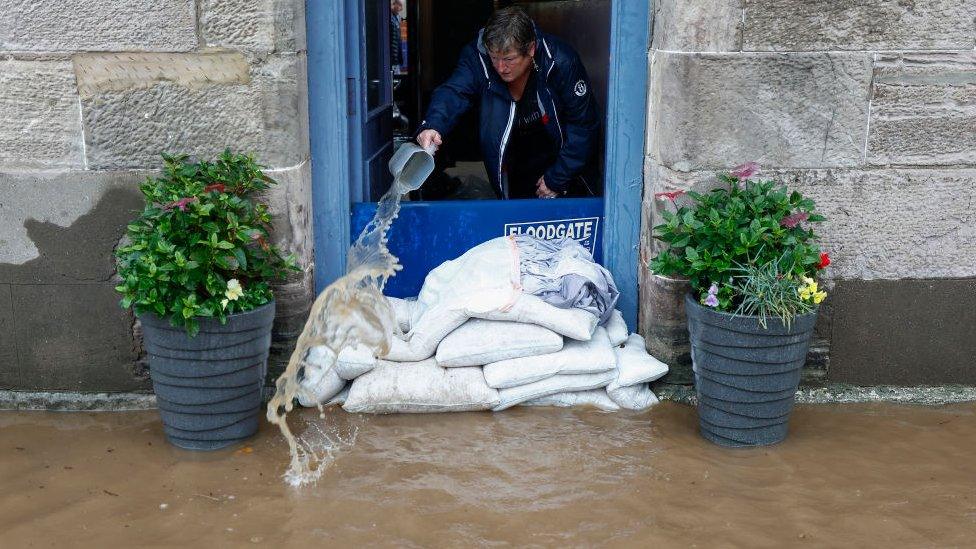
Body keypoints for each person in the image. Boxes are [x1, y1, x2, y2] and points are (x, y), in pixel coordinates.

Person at [416, 7, 600, 199]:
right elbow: (454, 90)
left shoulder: (560, 61)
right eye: (494, 58)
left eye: (509, 59)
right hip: (510, 152)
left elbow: (583, 125)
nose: (500, 68)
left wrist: (558, 177)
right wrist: (433, 125)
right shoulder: (477, 56)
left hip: (557, 152)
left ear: (531, 49)